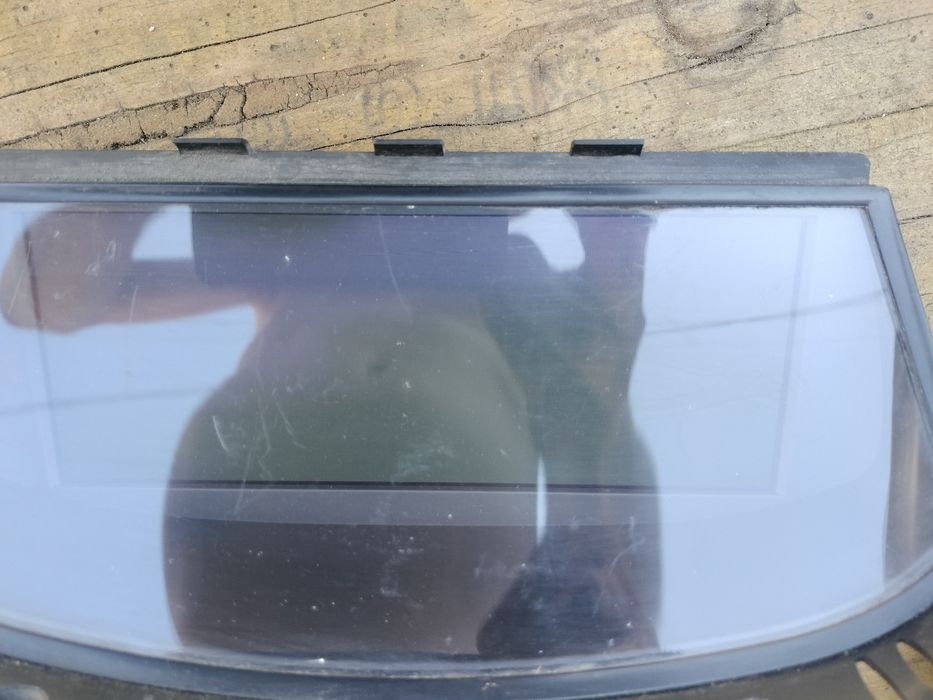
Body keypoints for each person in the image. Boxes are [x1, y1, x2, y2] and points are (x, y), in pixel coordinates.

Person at [0, 204, 659, 659]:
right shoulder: (549, 335)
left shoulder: (287, 272)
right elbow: (39, 297)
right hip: (289, 636)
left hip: (248, 641)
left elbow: (42, 297)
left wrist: (167, 181)